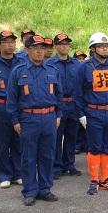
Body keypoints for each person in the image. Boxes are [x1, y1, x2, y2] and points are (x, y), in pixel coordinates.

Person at [6, 34, 63, 206]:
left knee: (47, 155)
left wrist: (58, 115)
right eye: (35, 48)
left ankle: (45, 188)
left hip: (49, 118)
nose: (39, 52)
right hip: (28, 119)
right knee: (29, 156)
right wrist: (15, 120)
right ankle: (30, 191)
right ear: (28, 50)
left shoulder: (53, 71)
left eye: (42, 48)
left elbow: (59, 96)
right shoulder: (18, 71)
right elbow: (12, 99)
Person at [75, 32, 108, 195]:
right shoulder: (84, 67)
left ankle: (105, 179)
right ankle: (94, 180)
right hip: (93, 113)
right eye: (101, 46)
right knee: (95, 147)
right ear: (93, 49)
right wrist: (81, 114)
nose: (104, 49)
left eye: (106, 46)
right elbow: (78, 93)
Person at [0, 30, 23, 188]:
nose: (10, 45)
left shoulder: (22, 62)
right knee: (2, 142)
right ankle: (4, 175)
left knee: (19, 141)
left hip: (20, 106)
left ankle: (18, 173)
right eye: (6, 42)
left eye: (12, 42)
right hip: (1, 106)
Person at [47, 33, 82, 178]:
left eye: (67, 44)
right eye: (61, 44)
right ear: (55, 46)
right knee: (56, 136)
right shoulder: (49, 64)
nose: (64, 46)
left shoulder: (76, 64)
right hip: (58, 104)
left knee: (71, 136)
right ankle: (56, 167)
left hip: (73, 104)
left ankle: (69, 164)